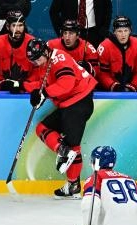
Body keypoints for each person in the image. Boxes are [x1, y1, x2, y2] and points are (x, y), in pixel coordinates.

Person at [23, 38, 97, 199]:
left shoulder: (59, 59)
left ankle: (73, 185)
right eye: (32, 60)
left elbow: (67, 84)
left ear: (45, 52)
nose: (35, 62)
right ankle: (63, 151)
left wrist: (44, 93)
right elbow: (42, 83)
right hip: (68, 105)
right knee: (41, 128)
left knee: (74, 146)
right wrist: (23, 86)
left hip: (79, 103)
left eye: (37, 58)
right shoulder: (45, 62)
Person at [0, 10, 36, 92]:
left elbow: (39, 70)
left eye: (21, 25)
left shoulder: (33, 43)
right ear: (7, 27)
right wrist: (1, 82)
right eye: (14, 25)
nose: (18, 29)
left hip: (27, 90)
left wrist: (26, 84)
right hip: (2, 92)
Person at [96, 16, 137, 92]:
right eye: (119, 31)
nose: (123, 35)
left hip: (134, 89)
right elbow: (103, 74)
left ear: (130, 31)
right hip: (110, 90)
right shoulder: (104, 47)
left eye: (125, 30)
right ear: (114, 32)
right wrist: (114, 86)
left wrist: (132, 86)